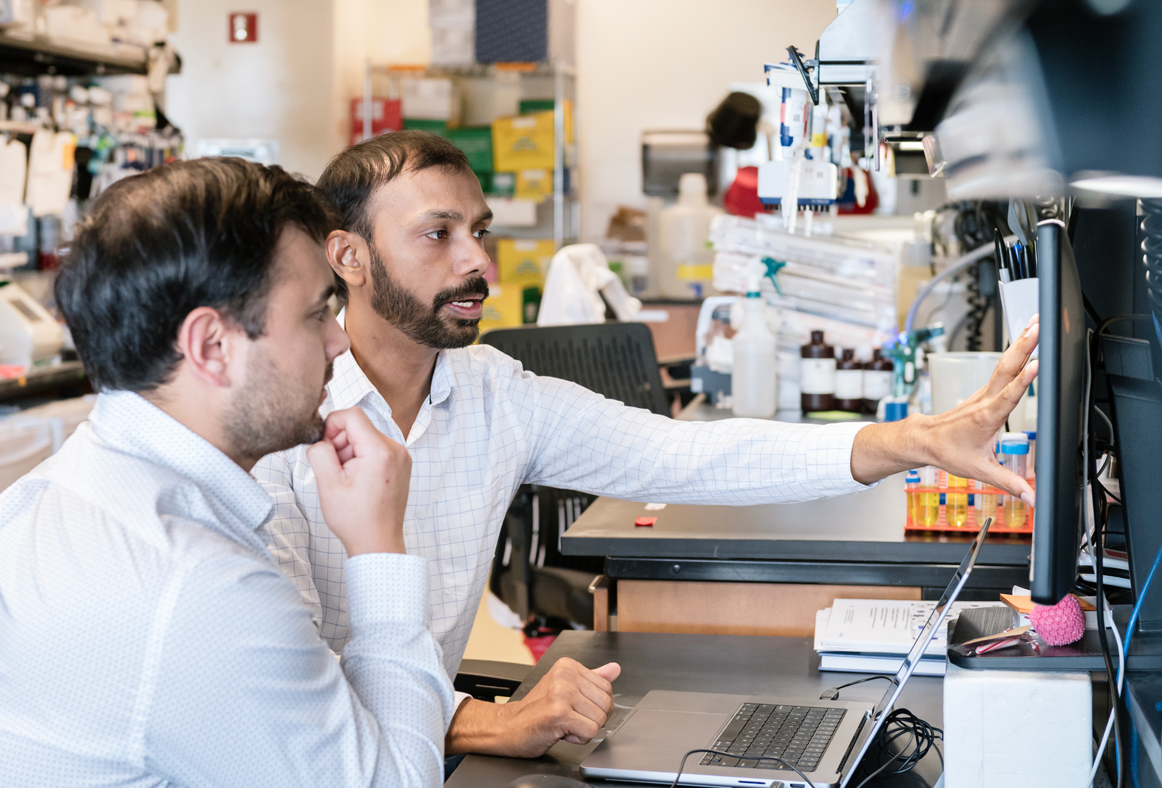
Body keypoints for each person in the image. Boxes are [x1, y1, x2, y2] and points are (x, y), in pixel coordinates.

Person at [256, 131, 1038, 760]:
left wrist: (918, 440)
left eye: (480, 231)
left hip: (422, 743)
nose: (479, 263)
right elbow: (281, 685)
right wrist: (482, 723)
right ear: (347, 256)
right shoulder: (284, 418)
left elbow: (688, 456)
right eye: (438, 234)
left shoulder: (493, 392)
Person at [0, 158, 456, 787]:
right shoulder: (193, 583)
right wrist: (378, 549)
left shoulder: (78, 483)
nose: (339, 344)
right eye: (316, 315)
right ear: (210, 346)